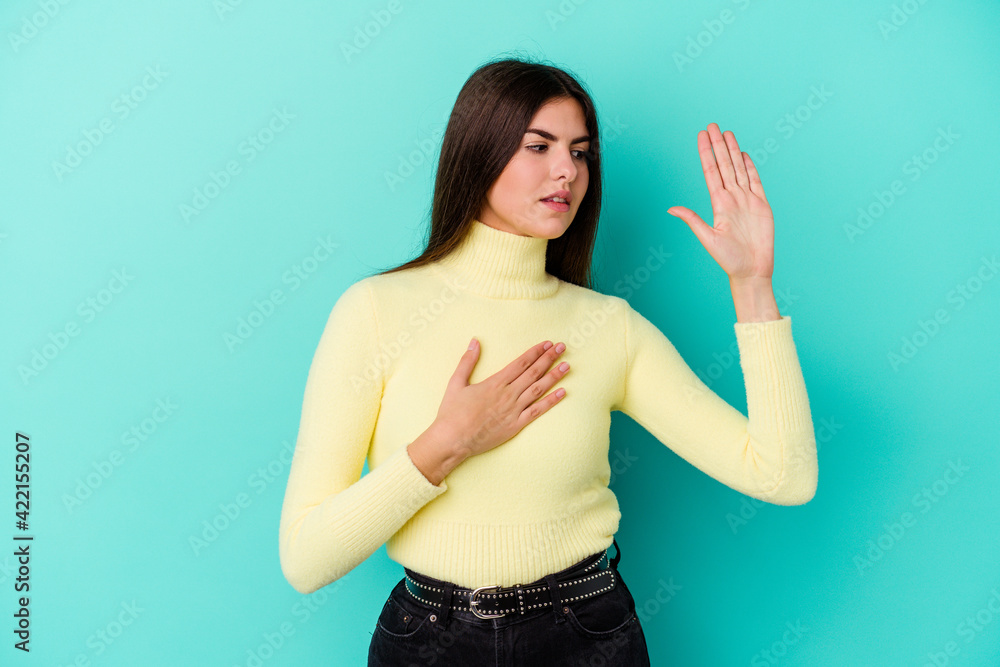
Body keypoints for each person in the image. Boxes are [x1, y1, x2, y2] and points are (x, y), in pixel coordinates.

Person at [278, 55, 818, 666]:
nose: (567, 171)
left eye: (581, 152)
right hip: (427, 642)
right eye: (539, 146)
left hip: (585, 635)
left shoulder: (607, 327)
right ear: (479, 152)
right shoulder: (375, 310)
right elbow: (305, 559)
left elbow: (783, 476)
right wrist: (446, 443)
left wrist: (752, 286)